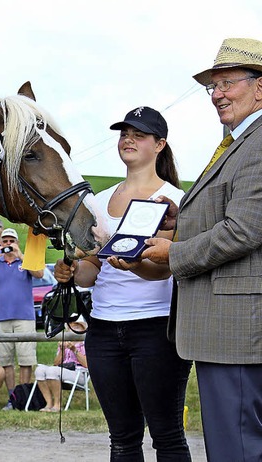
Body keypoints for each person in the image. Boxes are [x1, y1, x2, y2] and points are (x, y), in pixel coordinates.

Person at [141, 38, 262, 461]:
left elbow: (243, 231)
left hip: (238, 330)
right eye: (213, 87)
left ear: (260, 88)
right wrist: (182, 222)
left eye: (227, 83)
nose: (217, 95)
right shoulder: (239, 142)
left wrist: (172, 254)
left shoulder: (258, 143)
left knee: (238, 446)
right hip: (230, 328)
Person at [54, 105, 192, 460]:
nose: (128, 139)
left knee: (167, 435)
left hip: (156, 326)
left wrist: (134, 267)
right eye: (123, 133)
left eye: (139, 134)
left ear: (159, 144)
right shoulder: (98, 202)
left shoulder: (176, 201)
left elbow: (166, 267)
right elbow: (92, 272)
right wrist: (70, 270)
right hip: (103, 328)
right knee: (122, 438)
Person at [0, 228, 44, 410]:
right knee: (5, 361)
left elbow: (40, 274)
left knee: (25, 359)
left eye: (11, 241)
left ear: (16, 242)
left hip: (24, 317)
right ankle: (12, 398)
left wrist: (20, 255)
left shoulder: (25, 260)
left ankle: (23, 398)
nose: (8, 244)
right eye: (4, 241)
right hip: (1, 317)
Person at [34, 321, 87, 413]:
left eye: (78, 327)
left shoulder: (85, 344)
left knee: (53, 371)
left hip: (79, 373)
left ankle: (57, 405)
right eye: (73, 327)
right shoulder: (65, 343)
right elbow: (56, 363)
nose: (74, 329)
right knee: (40, 370)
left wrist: (74, 350)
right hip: (62, 370)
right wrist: (62, 350)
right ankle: (49, 403)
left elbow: (87, 364)